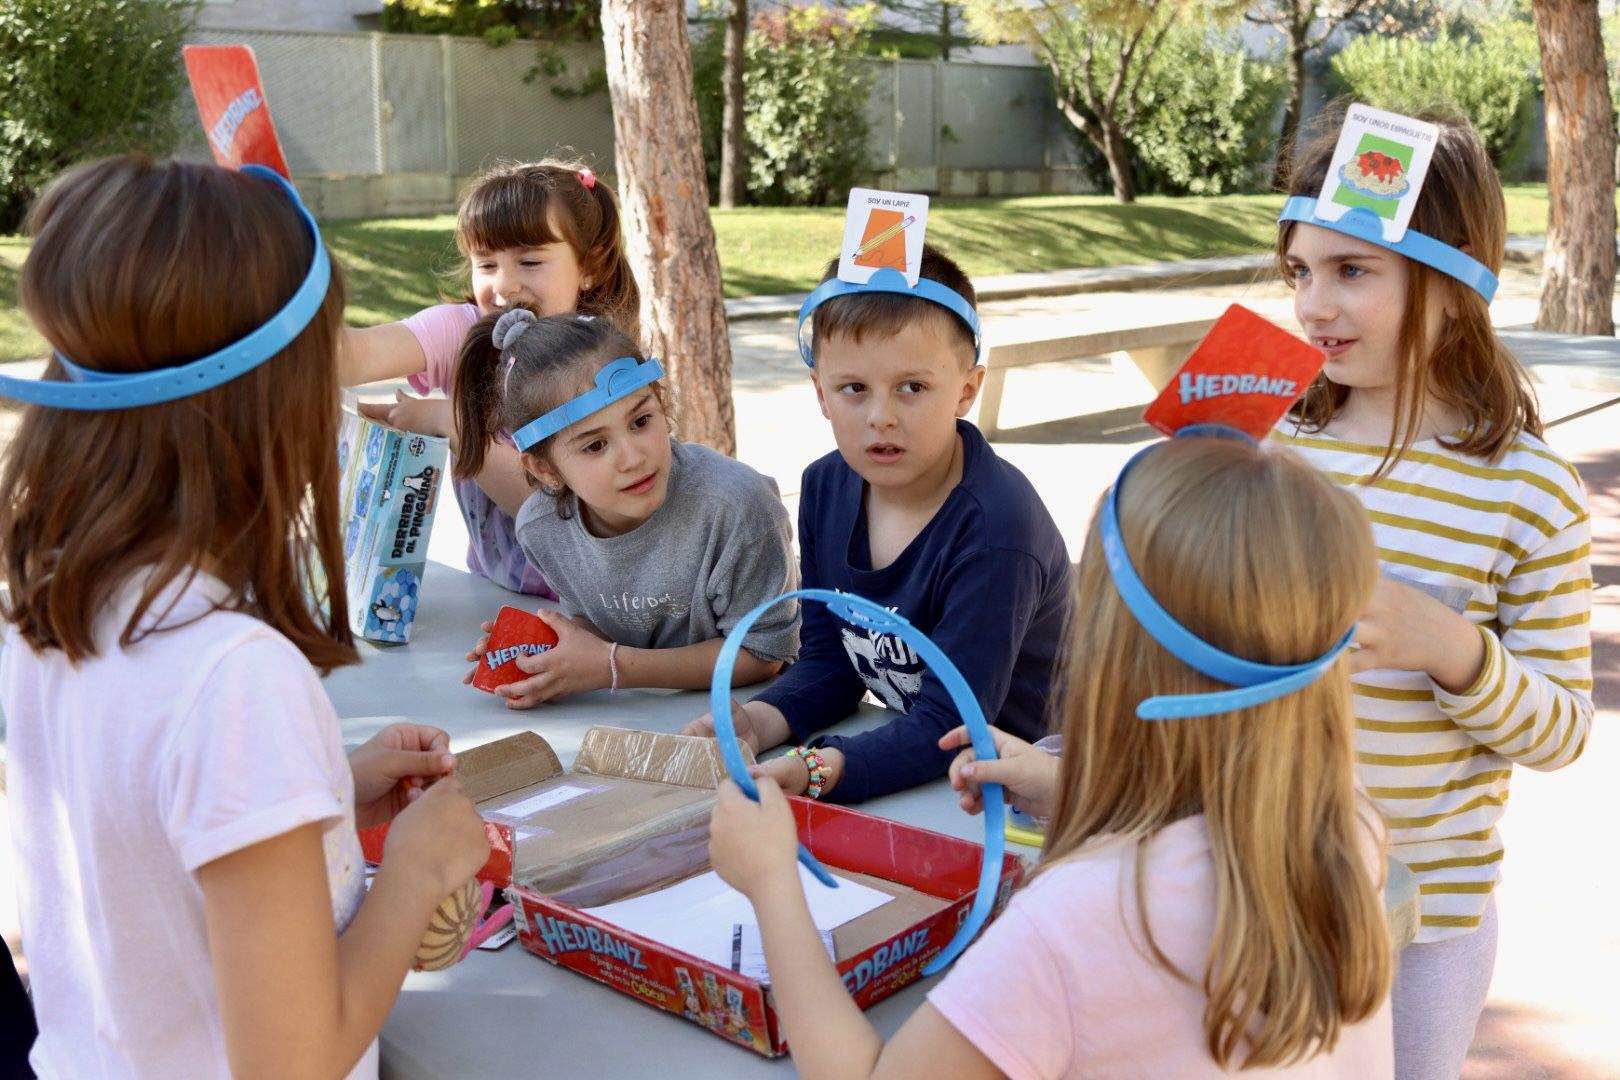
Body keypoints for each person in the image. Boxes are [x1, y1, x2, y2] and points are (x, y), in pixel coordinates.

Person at [0, 156, 489, 1078]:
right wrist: (420, 869)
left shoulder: (48, 596)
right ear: (277, 405)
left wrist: (320, 795)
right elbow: (291, 1062)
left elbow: (139, 839)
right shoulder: (233, 677)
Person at [710, 430, 1394, 1077]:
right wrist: (1079, 791)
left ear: (1108, 651)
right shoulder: (1344, 826)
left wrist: (772, 879)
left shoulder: (1077, 919)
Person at [1275, 109, 1592, 1078]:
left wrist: (1447, 644)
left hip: (1427, 918)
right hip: (1266, 885)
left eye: (1351, 271)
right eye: (1299, 271)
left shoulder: (1529, 490)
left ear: (1453, 287)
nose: (1313, 306)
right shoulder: (1274, 447)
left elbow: (1563, 731)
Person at [685, 244, 1071, 803]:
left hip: (1023, 795)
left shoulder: (997, 531)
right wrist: (760, 722)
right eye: (854, 389)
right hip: (914, 767)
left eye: (912, 387)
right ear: (821, 393)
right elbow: (830, 660)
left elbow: (950, 720)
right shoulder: (825, 487)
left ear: (966, 389)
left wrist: (818, 768)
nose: (881, 416)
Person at [457, 309, 799, 705]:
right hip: (641, 721)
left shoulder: (737, 507)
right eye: (595, 445)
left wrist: (611, 667)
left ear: (660, 402)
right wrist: (548, 654)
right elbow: (604, 624)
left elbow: (764, 656)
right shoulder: (542, 528)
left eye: (640, 421)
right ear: (544, 468)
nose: (633, 457)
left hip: (757, 721)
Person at [341, 160, 639, 596]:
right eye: (486, 265)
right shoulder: (462, 333)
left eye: (530, 261)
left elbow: (563, 518)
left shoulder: (602, 359)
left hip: (596, 609)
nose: (504, 287)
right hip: (490, 595)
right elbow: (349, 357)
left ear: (589, 265)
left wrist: (453, 422)